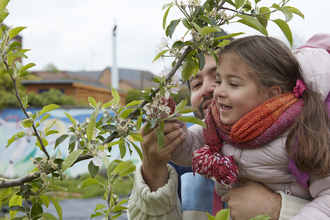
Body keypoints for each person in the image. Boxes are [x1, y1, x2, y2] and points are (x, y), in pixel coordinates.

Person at [128, 44, 315, 219]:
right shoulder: (181, 160)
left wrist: (278, 209)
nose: (210, 90)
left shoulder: (304, 140)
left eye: (228, 81)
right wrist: (152, 169)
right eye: (196, 84)